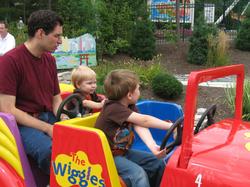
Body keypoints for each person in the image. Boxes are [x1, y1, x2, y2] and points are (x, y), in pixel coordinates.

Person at [0, 10, 63, 175]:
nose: (60, 41)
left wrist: (63, 119)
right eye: (57, 36)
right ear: (41, 33)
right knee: (49, 151)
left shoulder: (50, 60)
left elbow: (56, 100)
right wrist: (48, 128)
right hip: (22, 124)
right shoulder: (10, 61)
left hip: (48, 116)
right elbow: (8, 109)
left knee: (81, 139)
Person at [95, 69, 174, 187]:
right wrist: (171, 126)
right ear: (129, 95)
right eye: (138, 88)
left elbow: (140, 124)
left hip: (123, 152)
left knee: (157, 163)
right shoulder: (112, 108)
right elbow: (145, 120)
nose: (139, 91)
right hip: (108, 156)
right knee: (138, 175)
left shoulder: (129, 106)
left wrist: (153, 147)